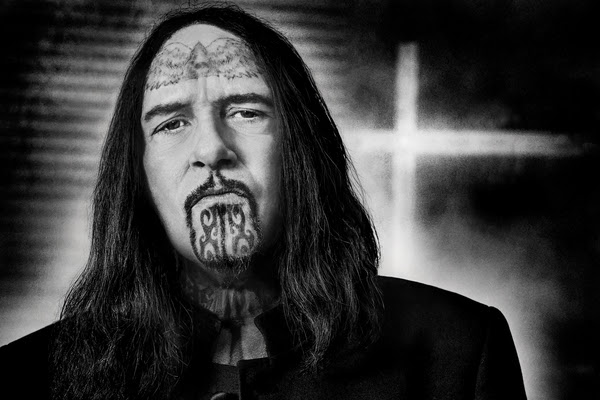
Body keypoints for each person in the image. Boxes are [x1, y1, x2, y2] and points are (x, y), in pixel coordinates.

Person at [0, 4, 527, 399]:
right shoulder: (26, 378)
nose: (211, 149)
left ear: (301, 150)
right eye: (172, 122)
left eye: (247, 112)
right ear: (136, 175)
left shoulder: (455, 351)